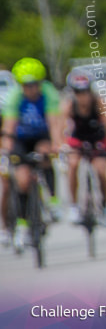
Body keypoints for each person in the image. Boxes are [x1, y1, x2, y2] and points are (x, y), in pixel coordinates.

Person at [1, 58, 63, 248]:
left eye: (34, 84)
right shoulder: (14, 97)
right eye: (26, 85)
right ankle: (22, 222)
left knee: (45, 154)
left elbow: (54, 123)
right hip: (21, 139)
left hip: (41, 136)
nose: (31, 89)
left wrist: (57, 145)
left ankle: (52, 201)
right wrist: (6, 151)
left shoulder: (49, 94)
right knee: (22, 180)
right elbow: (9, 127)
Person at [63, 69, 106, 226]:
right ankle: (73, 206)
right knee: (72, 164)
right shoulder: (70, 105)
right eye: (78, 92)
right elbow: (60, 125)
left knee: (101, 172)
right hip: (78, 139)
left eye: (85, 91)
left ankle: (105, 207)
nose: (82, 96)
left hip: (97, 139)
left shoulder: (99, 103)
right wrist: (61, 144)